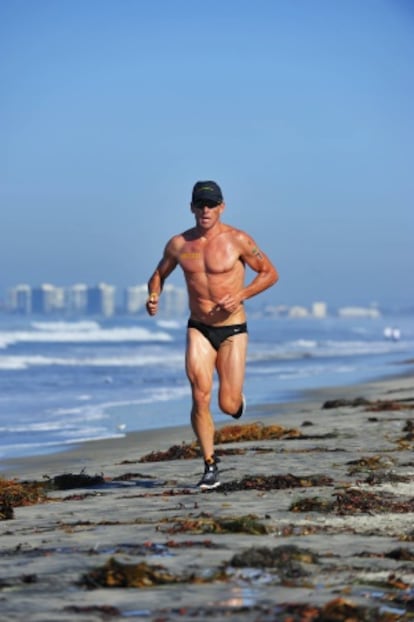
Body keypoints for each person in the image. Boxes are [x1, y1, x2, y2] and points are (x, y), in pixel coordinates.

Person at [146, 180, 279, 489]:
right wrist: (154, 295)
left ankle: (235, 402)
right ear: (192, 207)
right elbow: (158, 274)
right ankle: (209, 465)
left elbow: (270, 273)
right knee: (199, 394)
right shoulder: (179, 244)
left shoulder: (238, 240)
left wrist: (242, 294)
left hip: (233, 329)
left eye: (211, 204)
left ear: (222, 207)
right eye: (200, 204)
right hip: (199, 328)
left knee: (226, 405)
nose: (205, 210)